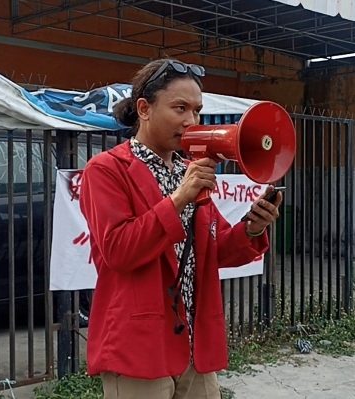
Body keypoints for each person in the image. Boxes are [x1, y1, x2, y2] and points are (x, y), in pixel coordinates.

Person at [79, 58, 282, 399]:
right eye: (180, 108)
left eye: (197, 110)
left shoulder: (189, 172)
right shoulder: (107, 170)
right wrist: (179, 199)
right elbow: (118, 250)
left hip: (192, 341)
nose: (191, 121)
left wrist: (251, 227)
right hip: (138, 345)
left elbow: (214, 250)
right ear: (144, 108)